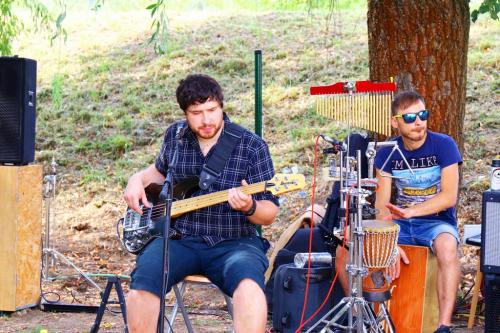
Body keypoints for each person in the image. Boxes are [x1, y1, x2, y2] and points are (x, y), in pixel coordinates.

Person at [123, 74, 280, 333]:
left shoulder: (252, 146)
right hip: (178, 238)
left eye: (212, 110)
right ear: (185, 113)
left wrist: (249, 206)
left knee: (250, 289)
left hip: (234, 242)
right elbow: (157, 172)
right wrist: (135, 179)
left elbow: (269, 213)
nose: (206, 120)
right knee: (142, 285)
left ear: (221, 106)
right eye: (197, 113)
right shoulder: (175, 136)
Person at [336, 91, 461, 333]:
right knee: (344, 248)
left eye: (423, 114)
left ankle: (444, 325)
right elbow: (382, 206)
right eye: (411, 117)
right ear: (395, 122)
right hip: (399, 224)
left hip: (436, 222)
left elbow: (448, 197)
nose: (419, 122)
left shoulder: (444, 145)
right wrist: (389, 242)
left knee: (447, 247)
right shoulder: (386, 152)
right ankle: (360, 320)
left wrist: (412, 212)